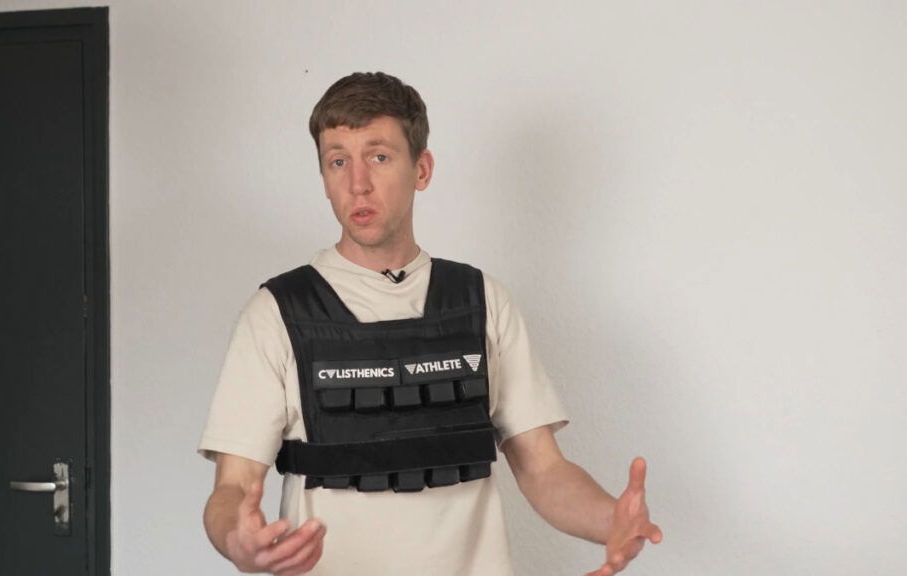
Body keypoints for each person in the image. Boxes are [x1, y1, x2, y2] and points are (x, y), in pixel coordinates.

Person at [199, 72, 662, 576]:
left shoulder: (481, 300)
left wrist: (610, 519)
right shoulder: (277, 313)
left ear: (422, 169)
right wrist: (237, 540)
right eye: (338, 161)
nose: (358, 182)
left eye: (379, 156)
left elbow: (543, 468)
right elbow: (234, 487)